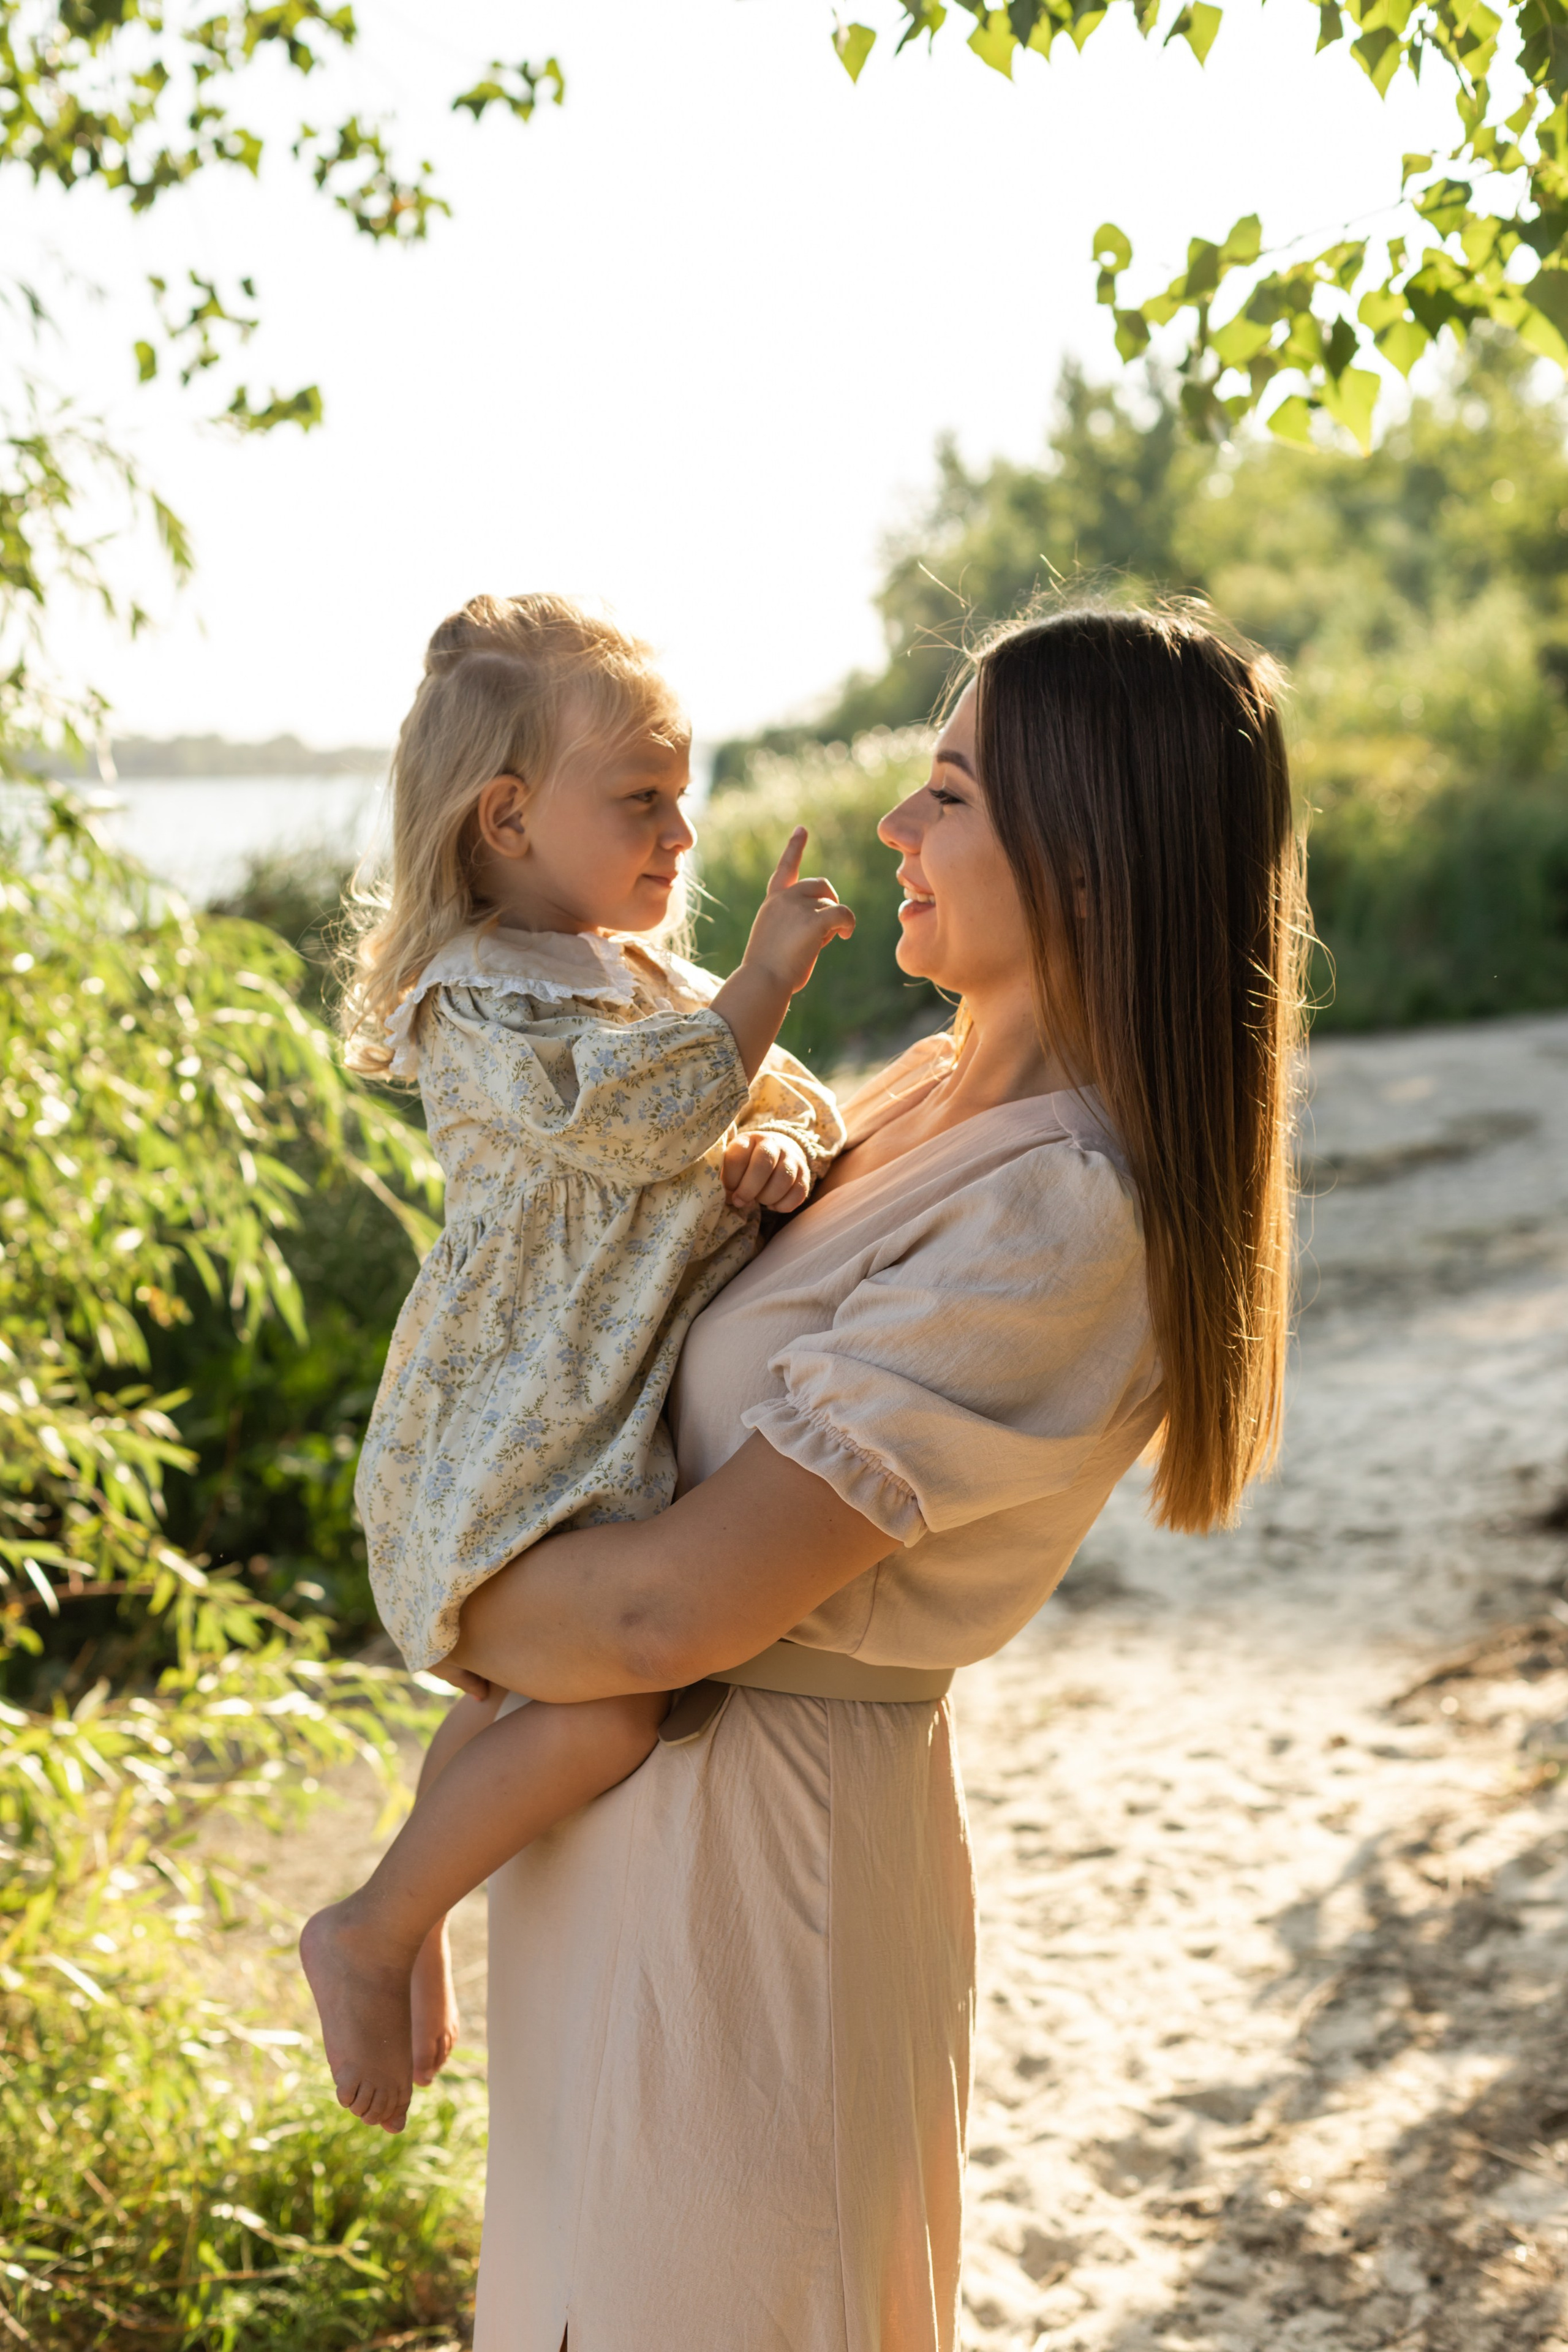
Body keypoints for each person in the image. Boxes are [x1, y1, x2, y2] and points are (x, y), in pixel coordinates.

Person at [423, 603, 1305, 2352]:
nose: (896, 830)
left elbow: (683, 1598)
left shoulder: (1063, 1210)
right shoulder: (907, 1097)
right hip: (635, 1829)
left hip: (760, 1867)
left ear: (1090, 854)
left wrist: (439, 1569)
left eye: (951, 794)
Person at [300, 593, 851, 2132]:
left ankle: (399, 1933)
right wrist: (759, 991)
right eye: (642, 799)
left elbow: (787, 1101)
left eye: (686, 796)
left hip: (599, 1438)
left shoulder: (650, 983)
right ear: (509, 815)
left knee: (515, 1701)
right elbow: (618, 1121)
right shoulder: (476, 993)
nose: (680, 831)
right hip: (511, 1429)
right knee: (603, 1709)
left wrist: (782, 1156)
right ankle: (376, 1926)